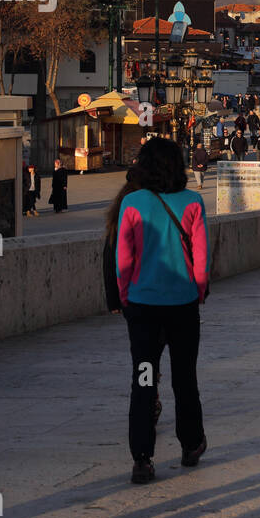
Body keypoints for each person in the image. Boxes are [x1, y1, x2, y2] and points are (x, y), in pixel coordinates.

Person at [115, 137, 210, 483]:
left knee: (143, 379)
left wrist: (127, 296)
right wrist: (196, 291)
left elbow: (123, 261)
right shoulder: (193, 202)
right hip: (182, 306)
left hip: (142, 308)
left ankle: (142, 458)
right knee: (185, 378)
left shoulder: (133, 203)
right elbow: (202, 260)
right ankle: (191, 444)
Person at [103, 167, 162, 429]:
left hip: (130, 297)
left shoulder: (119, 211)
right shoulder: (146, 208)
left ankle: (148, 394)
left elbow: (109, 257)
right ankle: (150, 395)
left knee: (141, 350)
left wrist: (113, 299)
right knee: (153, 349)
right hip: (152, 293)